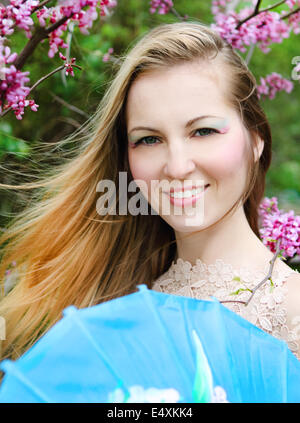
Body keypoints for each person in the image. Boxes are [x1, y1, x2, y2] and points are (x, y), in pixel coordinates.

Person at [0, 21, 299, 367]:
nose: (176, 166)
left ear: (256, 139)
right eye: (149, 139)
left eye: (203, 131)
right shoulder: (109, 313)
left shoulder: (294, 314)